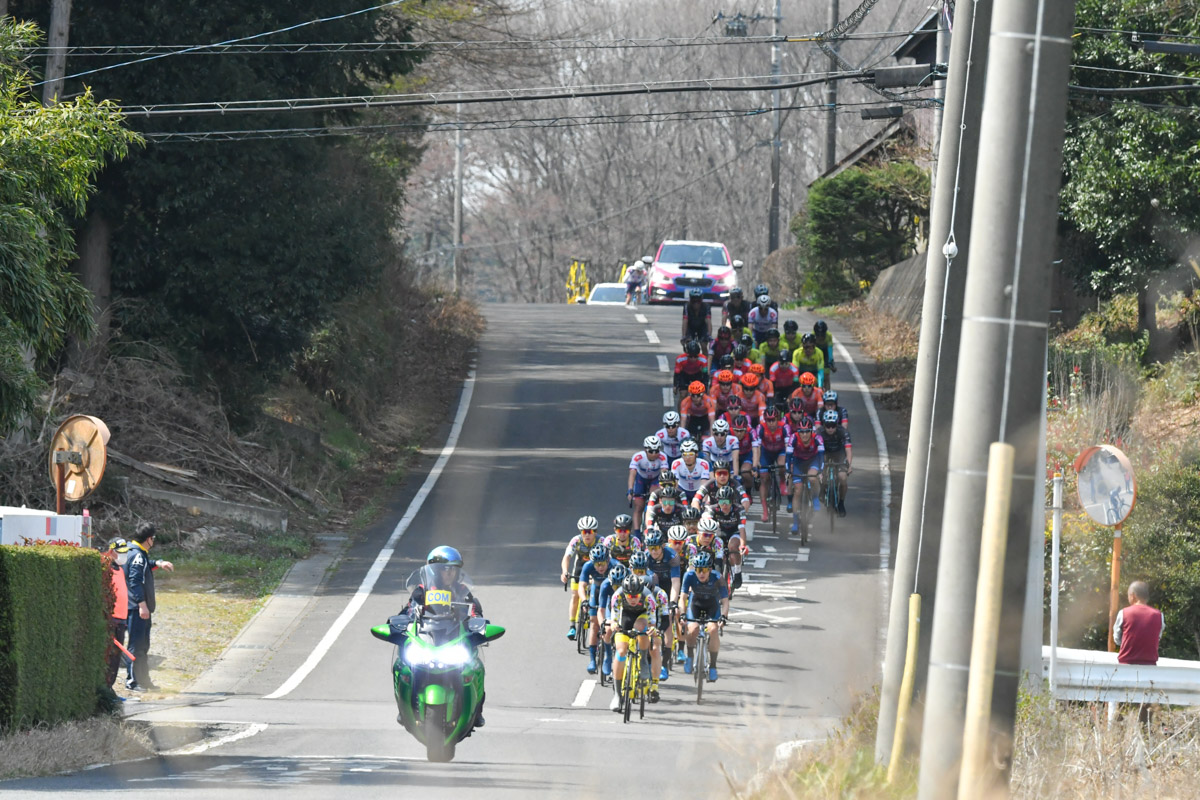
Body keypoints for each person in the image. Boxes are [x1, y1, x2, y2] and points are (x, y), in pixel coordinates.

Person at [124, 523, 174, 692]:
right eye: (153, 538)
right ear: (149, 539)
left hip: (139, 608)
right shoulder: (137, 555)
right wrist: (142, 605)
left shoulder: (137, 552)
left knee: (143, 646)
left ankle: (144, 680)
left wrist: (158, 563)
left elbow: (145, 564)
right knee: (135, 646)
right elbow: (135, 581)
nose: (154, 541)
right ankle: (132, 681)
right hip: (136, 609)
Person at [607, 574, 662, 710]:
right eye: (630, 596)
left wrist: (652, 630)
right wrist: (613, 624)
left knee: (642, 627)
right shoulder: (617, 596)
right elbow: (614, 618)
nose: (633, 599)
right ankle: (617, 695)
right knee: (620, 651)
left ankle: (643, 659)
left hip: (642, 616)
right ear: (624, 593)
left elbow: (652, 621)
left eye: (636, 596)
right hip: (624, 617)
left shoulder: (648, 597)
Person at [680, 552, 729, 682]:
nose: (701, 573)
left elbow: (725, 600)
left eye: (704, 570)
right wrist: (683, 614)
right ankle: (690, 656)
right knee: (692, 629)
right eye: (698, 570)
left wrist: (723, 616)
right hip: (695, 603)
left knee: (713, 630)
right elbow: (683, 597)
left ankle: (713, 666)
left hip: (712, 605)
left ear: (710, 570)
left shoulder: (718, 577)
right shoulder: (689, 576)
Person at [561, 516, 599, 640]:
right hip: (580, 567)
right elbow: (567, 557)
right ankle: (572, 625)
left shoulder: (602, 541)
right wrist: (565, 572)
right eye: (584, 532)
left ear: (595, 532)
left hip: (596, 568)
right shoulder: (576, 541)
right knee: (575, 595)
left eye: (590, 532)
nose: (587, 535)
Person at [578, 545, 613, 674]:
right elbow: (581, 586)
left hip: (610, 594)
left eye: (603, 563)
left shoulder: (615, 565)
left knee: (607, 621)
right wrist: (584, 601)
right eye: (597, 564)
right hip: (596, 590)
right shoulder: (588, 566)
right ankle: (592, 660)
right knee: (594, 623)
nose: (600, 567)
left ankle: (608, 653)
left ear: (608, 561)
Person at [785, 418, 825, 529]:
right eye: (801, 432)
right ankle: (796, 521)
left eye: (807, 431)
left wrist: (821, 471)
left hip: (813, 460)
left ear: (811, 431)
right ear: (798, 432)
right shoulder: (793, 438)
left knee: (812, 478)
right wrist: (788, 471)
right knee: (797, 490)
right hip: (798, 462)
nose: (804, 434)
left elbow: (822, 457)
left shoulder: (817, 438)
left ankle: (815, 497)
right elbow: (788, 457)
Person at [752, 407, 789, 523]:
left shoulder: (784, 427)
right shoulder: (761, 428)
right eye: (768, 420)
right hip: (766, 453)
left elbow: (788, 447)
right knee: (764, 478)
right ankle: (765, 511)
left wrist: (788, 463)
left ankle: (782, 482)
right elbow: (757, 447)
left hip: (780, 450)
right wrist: (756, 462)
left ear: (777, 419)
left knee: (782, 464)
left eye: (773, 420)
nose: (771, 423)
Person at [1115, 581, 1164, 665]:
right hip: (1150, 665)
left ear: (1133, 595)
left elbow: (1117, 639)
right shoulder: (1159, 615)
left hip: (1126, 664)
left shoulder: (1123, 613)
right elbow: (1158, 637)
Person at [105, 538, 130, 693]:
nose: (123, 556)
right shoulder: (106, 567)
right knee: (109, 656)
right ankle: (105, 687)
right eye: (120, 553)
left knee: (116, 658)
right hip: (111, 619)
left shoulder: (120, 569)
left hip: (122, 619)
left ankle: (110, 687)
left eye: (125, 553)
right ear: (111, 551)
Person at [628, 436, 668, 530]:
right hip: (641, 479)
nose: (654, 454)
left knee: (654, 495)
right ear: (645, 450)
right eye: (651, 451)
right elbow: (632, 474)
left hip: (655, 479)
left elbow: (664, 474)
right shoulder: (638, 457)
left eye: (657, 451)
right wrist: (630, 490)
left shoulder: (663, 457)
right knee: (638, 507)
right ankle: (637, 533)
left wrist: (663, 489)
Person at [819, 409, 852, 517]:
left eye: (833, 425)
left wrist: (849, 465)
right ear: (824, 424)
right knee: (821, 473)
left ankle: (841, 503)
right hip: (825, 454)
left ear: (836, 424)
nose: (830, 428)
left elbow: (848, 450)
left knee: (842, 478)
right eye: (828, 425)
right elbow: (815, 452)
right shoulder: (818, 433)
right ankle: (822, 489)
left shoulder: (843, 432)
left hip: (839, 454)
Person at [681, 289, 712, 353]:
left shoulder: (706, 306)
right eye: (693, 301)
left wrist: (709, 335)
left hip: (702, 327)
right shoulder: (687, 306)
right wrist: (684, 336)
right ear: (690, 300)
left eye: (698, 301)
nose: (696, 303)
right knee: (689, 345)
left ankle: (705, 361)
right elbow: (685, 321)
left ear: (701, 300)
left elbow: (708, 321)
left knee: (704, 345)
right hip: (690, 326)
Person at [812, 321, 836, 388]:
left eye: (822, 335)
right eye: (818, 335)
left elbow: (830, 350)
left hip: (825, 351)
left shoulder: (828, 336)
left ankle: (827, 392)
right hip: (815, 351)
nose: (820, 337)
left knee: (826, 376)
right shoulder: (812, 335)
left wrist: (831, 362)